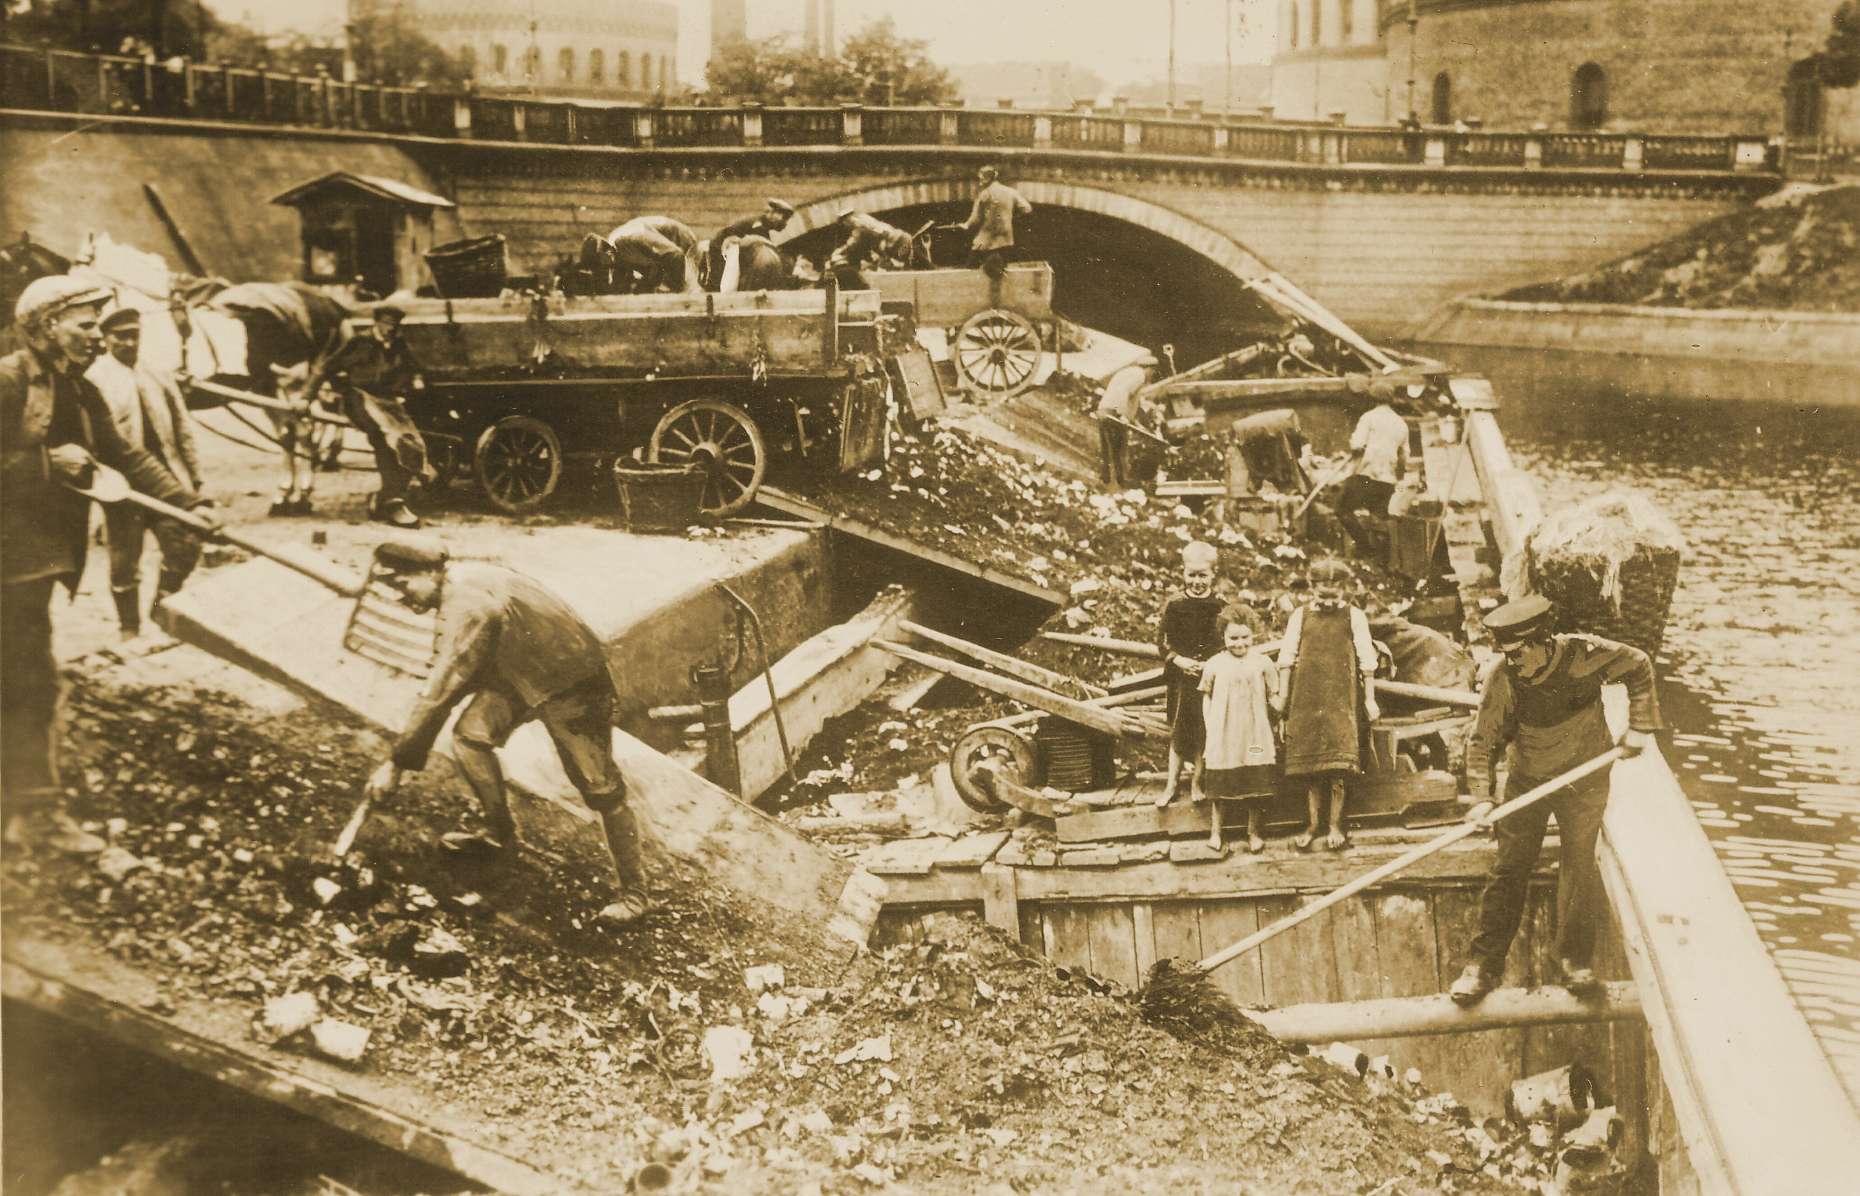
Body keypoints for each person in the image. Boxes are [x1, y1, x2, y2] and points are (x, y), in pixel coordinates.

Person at [2, 276, 215, 820]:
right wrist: (48, 465)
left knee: (29, 672)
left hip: (37, 559)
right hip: (11, 559)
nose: (98, 337)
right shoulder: (8, 381)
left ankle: (29, 804)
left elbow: (125, 456)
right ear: (50, 325)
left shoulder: (77, 387)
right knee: (30, 677)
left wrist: (188, 505)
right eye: (87, 325)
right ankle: (35, 814)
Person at [359, 540, 652, 927]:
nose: (402, 598)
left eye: (404, 586)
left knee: (598, 785)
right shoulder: (458, 583)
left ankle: (636, 893)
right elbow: (458, 675)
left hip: (572, 679)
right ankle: (499, 837)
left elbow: (441, 689)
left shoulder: (468, 604)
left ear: (430, 573)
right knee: (469, 737)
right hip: (520, 673)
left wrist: (395, 766)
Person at [1449, 595, 1659, 1006]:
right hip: (1528, 781)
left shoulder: (1586, 655)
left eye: (1519, 653)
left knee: (1579, 863)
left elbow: (1639, 666)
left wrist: (1640, 726)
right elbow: (1482, 743)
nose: (1512, 661)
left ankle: (1573, 960)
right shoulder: (1503, 678)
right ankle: (1481, 967)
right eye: (1506, 654)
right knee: (1509, 867)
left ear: (1542, 642)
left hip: (1586, 778)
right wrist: (1480, 797)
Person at [86, 305, 204, 641]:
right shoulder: (95, 379)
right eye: (119, 336)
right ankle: (129, 629)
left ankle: (161, 609)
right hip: (122, 485)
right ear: (106, 339)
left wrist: (194, 477)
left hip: (166, 479)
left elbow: (182, 427)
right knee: (125, 559)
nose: (128, 342)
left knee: (184, 545)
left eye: (133, 335)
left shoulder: (157, 373)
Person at [299, 305, 432, 529]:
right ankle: (393, 504)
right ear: (377, 323)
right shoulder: (360, 342)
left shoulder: (398, 345)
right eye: (387, 324)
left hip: (388, 401)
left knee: (411, 442)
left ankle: (385, 498)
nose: (391, 329)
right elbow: (325, 367)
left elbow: (413, 367)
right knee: (384, 438)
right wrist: (306, 397)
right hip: (359, 399)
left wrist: (416, 380)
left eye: (395, 325)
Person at [1278, 559, 1380, 850]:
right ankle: (1312, 824)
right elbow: (1286, 657)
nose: (1327, 601)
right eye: (1321, 595)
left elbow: (1366, 661)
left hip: (1340, 698)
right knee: (1311, 765)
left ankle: (1335, 824)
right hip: (1306, 699)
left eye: (1334, 596)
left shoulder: (1354, 616)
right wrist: (1283, 696)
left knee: (1337, 765)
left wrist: (1370, 699)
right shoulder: (1299, 616)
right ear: (1311, 589)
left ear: (1344, 592)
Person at [1198, 608, 1283, 852]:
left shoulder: (1262, 662)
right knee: (1219, 786)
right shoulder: (1214, 664)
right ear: (1223, 636)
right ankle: (1216, 831)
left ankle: (1253, 832)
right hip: (1223, 732)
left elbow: (1274, 693)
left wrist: (1279, 711)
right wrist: (1210, 727)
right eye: (1232, 638)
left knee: (1255, 786)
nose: (1239, 643)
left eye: (1245, 637)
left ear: (1253, 635)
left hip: (1254, 733)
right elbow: (1207, 697)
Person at [1155, 541, 1226, 807]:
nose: (1197, 581)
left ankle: (1197, 781)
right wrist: (1178, 660)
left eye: (1203, 575)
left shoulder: (1219, 605)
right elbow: (1161, 641)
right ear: (1183, 572)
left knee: (1202, 730)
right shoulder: (1174, 603)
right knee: (1178, 730)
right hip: (1181, 677)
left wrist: (1211, 663)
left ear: (1213, 574)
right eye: (1191, 575)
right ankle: (1171, 784)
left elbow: (1225, 642)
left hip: (1208, 678)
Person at [1335, 378, 1411, 566]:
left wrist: (1356, 449)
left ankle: (1365, 547)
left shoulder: (1368, 418)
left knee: (1341, 510)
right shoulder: (1401, 424)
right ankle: (1382, 564)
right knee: (1378, 519)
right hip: (1387, 480)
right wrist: (1396, 479)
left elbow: (1358, 447)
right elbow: (1403, 457)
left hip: (1366, 475)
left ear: (1372, 399)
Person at [958, 165, 1032, 279]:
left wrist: (965, 225)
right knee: (997, 264)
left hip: (985, 241)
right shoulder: (1010, 192)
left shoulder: (984, 195)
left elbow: (975, 219)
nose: (979, 182)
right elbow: (1027, 208)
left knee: (970, 267)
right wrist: (1011, 217)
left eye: (981, 179)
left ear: (986, 179)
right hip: (1006, 241)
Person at [705, 198, 796, 291]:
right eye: (783, 218)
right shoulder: (758, 226)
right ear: (773, 214)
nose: (784, 223)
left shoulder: (765, 226)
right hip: (719, 246)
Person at [1094, 355, 1156, 488]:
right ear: (1149, 369)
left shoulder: (1130, 372)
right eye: (1153, 372)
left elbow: (1132, 402)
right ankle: (1119, 482)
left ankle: (1109, 480)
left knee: (1110, 447)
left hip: (1105, 409)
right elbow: (1122, 391)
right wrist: (1123, 414)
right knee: (1119, 447)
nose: (1152, 375)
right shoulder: (1139, 375)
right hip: (1113, 412)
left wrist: (1136, 422)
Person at [607, 215, 703, 294]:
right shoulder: (619, 247)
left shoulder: (634, 238)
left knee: (685, 292)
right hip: (656, 245)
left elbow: (676, 255)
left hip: (683, 242)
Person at [822, 210, 912, 291]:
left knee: (892, 269)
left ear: (848, 218)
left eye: (845, 222)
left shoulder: (859, 225)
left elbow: (853, 244)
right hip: (903, 238)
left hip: (896, 244)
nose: (845, 225)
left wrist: (839, 251)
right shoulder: (864, 218)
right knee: (892, 267)